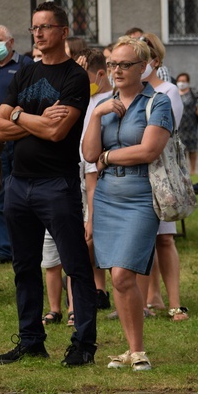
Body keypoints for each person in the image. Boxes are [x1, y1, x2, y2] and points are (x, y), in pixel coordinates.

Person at [0, 1, 97, 367]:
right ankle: (31, 339)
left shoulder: (74, 77)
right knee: (24, 266)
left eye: (46, 27)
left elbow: (57, 131)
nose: (38, 33)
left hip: (57, 184)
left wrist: (19, 115)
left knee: (75, 265)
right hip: (19, 184)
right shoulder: (24, 73)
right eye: (34, 27)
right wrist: (31, 116)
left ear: (63, 32)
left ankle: (83, 344)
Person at [83, 36, 173, 370]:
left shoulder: (157, 102)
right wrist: (97, 116)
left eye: (125, 65)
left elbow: (149, 150)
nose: (117, 70)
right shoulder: (102, 103)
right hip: (107, 194)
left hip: (140, 195)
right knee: (116, 276)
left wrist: (109, 155)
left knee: (122, 274)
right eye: (112, 65)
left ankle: (138, 351)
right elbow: (89, 155)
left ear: (144, 66)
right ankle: (132, 349)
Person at [41, 48, 113, 326]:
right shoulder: (81, 98)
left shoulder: (108, 101)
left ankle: (91, 296)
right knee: (58, 250)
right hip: (71, 178)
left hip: (95, 179)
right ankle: (60, 306)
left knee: (84, 243)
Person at [138, 33, 189, 322]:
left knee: (165, 239)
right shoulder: (131, 90)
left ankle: (175, 303)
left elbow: (165, 131)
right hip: (136, 170)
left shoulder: (168, 91)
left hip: (161, 171)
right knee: (143, 240)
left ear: (154, 61)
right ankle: (147, 299)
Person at [0, 25, 33, 265]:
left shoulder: (26, 66)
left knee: (26, 193)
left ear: (11, 42)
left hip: (22, 137)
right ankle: (3, 250)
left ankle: (27, 244)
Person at [175, 72, 198, 175]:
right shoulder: (174, 92)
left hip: (191, 125)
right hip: (179, 126)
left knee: (192, 149)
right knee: (180, 149)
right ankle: (183, 170)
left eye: (183, 81)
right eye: (179, 81)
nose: (181, 83)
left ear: (188, 82)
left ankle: (193, 170)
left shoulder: (193, 92)